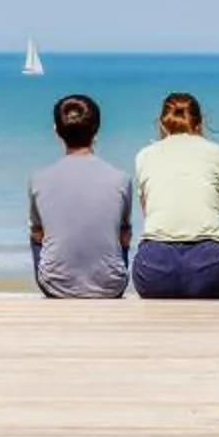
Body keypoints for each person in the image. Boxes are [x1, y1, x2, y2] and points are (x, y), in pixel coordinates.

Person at [130, 91, 219, 299]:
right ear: (199, 123)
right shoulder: (217, 152)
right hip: (213, 268)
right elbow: (217, 206)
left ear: (162, 124)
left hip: (154, 271)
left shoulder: (144, 155)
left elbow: (148, 212)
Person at [28, 92, 131, 299]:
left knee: (37, 232)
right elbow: (124, 235)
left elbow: (38, 234)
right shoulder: (121, 178)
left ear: (57, 131)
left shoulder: (38, 178)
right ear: (96, 130)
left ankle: (60, 274)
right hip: (111, 286)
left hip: (55, 286)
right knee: (122, 233)